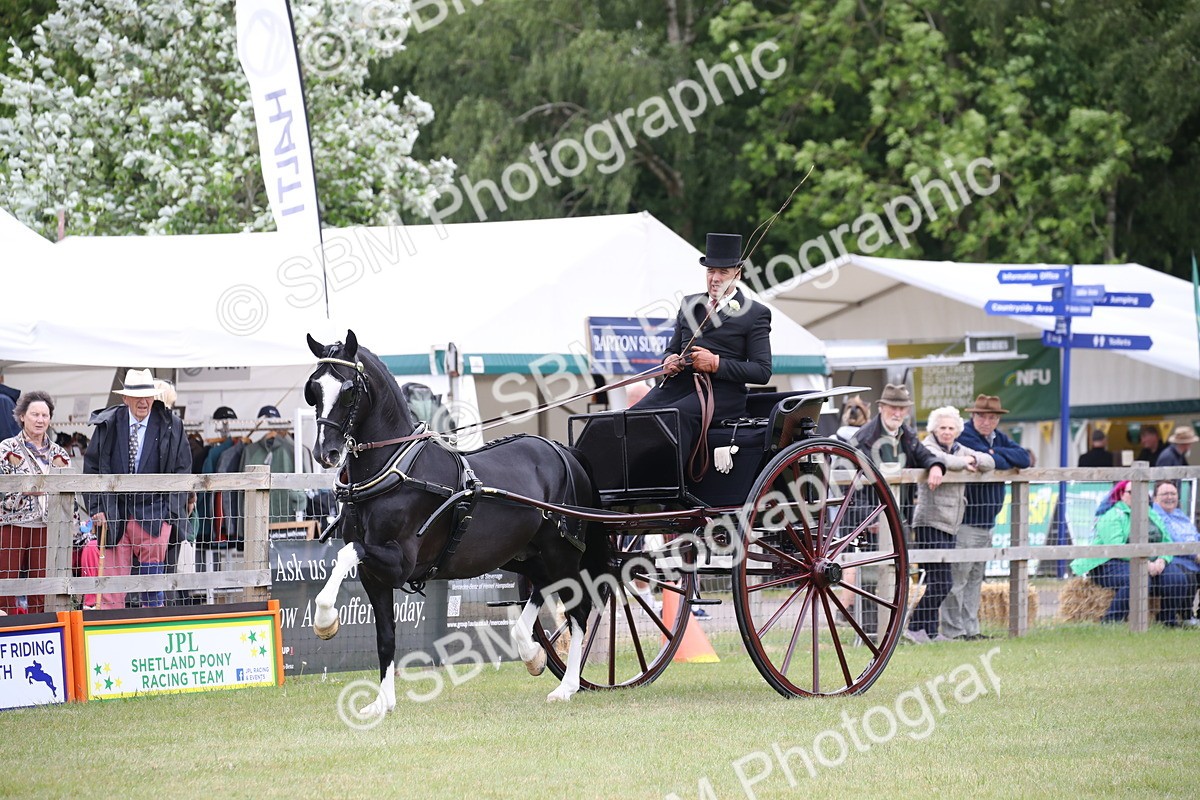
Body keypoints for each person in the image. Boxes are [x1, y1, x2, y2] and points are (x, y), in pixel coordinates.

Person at [632, 232, 772, 481]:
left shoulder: (756, 313)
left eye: (723, 272)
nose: (715, 279)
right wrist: (668, 360)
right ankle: (632, 482)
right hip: (680, 386)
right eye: (710, 272)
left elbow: (762, 371)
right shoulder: (689, 304)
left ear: (737, 274)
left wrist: (716, 363)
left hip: (722, 394)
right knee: (634, 415)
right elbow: (671, 348)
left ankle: (672, 487)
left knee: (677, 415)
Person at [84, 369, 191, 609]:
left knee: (152, 586)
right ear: (125, 399)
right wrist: (96, 508)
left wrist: (170, 515)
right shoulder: (109, 423)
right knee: (111, 589)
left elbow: (183, 469)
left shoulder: (172, 425)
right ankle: (110, 632)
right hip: (114, 514)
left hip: (155, 514)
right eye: (137, 396)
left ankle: (153, 632)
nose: (144, 401)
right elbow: (90, 468)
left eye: (148, 395)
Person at [942, 394, 1030, 640]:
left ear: (997, 419)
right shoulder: (964, 435)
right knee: (958, 577)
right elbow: (989, 461)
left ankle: (972, 629)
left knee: (975, 578)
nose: (986, 421)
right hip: (966, 518)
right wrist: (994, 457)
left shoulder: (997, 438)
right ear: (973, 415)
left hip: (987, 520)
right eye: (982, 416)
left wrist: (992, 454)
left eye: (992, 417)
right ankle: (953, 631)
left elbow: (1023, 458)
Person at [904, 406, 995, 644]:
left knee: (940, 581)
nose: (946, 432)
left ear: (957, 430)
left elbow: (989, 462)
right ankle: (914, 627)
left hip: (951, 524)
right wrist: (964, 462)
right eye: (942, 427)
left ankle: (931, 632)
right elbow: (940, 460)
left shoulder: (960, 449)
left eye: (951, 428)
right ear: (934, 428)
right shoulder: (928, 446)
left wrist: (972, 458)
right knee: (942, 581)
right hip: (929, 521)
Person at [1069, 480, 1190, 625]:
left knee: (1178, 578)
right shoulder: (1112, 515)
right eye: (1133, 492)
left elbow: (1167, 541)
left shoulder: (1152, 514)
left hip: (1150, 561)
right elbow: (1116, 547)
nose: (1139, 496)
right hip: (1110, 563)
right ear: (1122, 494)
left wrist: (1162, 560)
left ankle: (1168, 620)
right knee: (1139, 579)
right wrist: (1144, 564)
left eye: (1143, 493)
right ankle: (1111, 621)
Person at [0, 391, 71, 614]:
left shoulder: (60, 453)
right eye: (34, 414)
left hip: (47, 528)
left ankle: (40, 632)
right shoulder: (6, 449)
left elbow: (69, 496)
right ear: (22, 416)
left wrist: (72, 528)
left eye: (44, 415)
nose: (40, 420)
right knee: (6, 585)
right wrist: (28, 492)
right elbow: (3, 494)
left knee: (42, 589)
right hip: (12, 526)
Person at [1150, 481, 1199, 625]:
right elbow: (1172, 538)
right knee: (1189, 577)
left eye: (1173, 494)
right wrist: (1195, 555)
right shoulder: (1155, 515)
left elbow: (1194, 535)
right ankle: (1186, 616)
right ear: (1155, 498)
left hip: (1194, 557)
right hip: (1175, 559)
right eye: (1165, 494)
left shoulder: (1179, 514)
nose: (1169, 497)